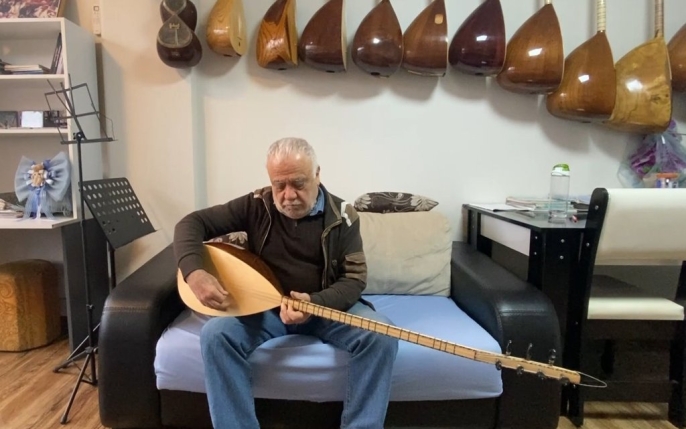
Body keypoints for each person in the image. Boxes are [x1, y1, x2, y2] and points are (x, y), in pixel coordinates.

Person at [173, 137, 399, 429]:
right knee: (216, 335)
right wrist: (194, 272)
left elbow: (354, 280)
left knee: (381, 335)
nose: (288, 195)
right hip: (266, 309)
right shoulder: (257, 204)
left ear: (317, 174)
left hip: (326, 307)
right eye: (279, 185)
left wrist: (314, 303)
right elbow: (190, 224)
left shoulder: (344, 215)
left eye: (298, 183)